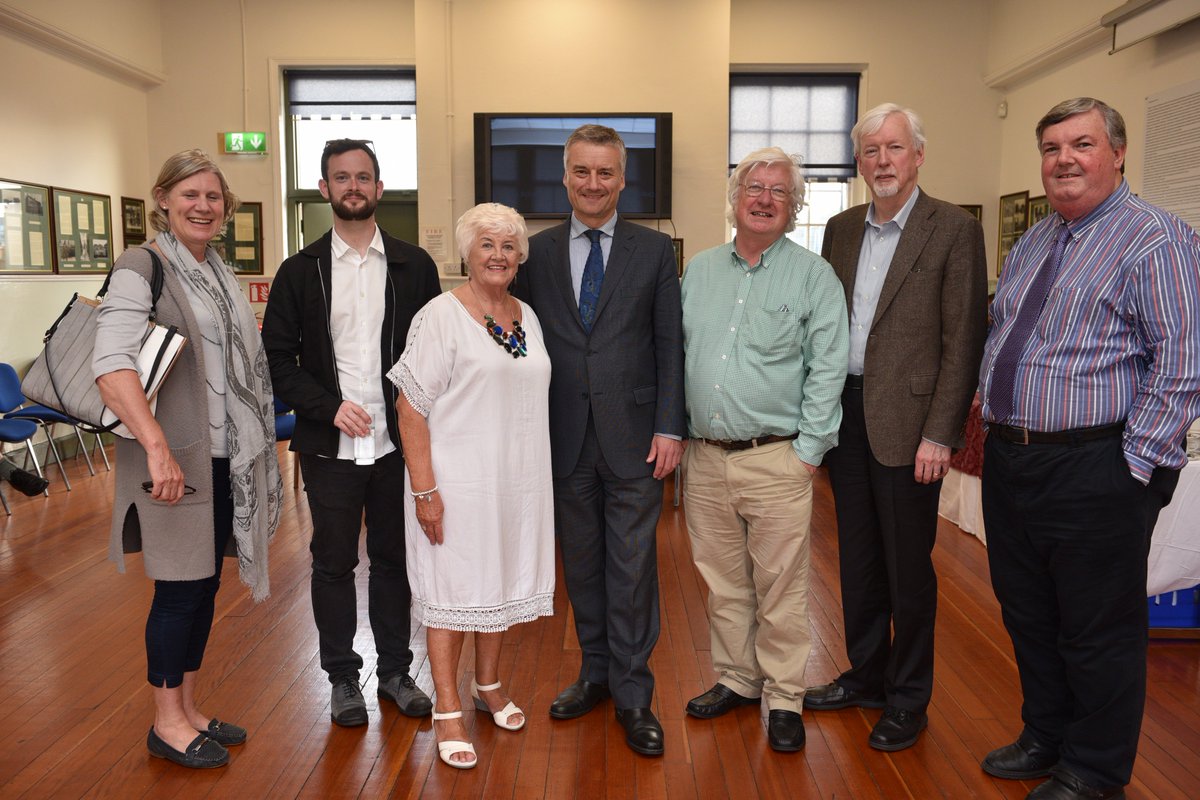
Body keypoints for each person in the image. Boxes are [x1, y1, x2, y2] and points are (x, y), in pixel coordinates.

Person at [979, 98, 1200, 800]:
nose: (1064, 159)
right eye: (1052, 148)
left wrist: (1133, 466)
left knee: (1098, 628)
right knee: (1029, 612)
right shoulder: (1035, 242)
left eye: (1082, 144)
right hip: (1013, 460)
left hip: (1096, 466)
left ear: (1118, 153)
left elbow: (1183, 363)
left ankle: (1094, 770)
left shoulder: (1156, 239)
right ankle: (1045, 736)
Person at [804, 104, 987, 751]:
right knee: (856, 560)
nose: (882, 161)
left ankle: (908, 697)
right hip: (845, 417)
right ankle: (866, 677)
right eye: (871, 150)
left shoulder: (954, 229)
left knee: (908, 569)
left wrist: (942, 433)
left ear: (918, 156)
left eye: (894, 148)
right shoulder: (841, 228)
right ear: (859, 162)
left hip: (912, 428)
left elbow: (964, 339)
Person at [94, 149, 282, 769]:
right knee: (178, 591)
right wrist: (157, 450)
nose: (203, 206)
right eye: (190, 195)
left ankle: (188, 708)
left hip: (224, 458)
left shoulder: (218, 271)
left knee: (203, 587)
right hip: (173, 460)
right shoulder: (141, 266)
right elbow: (112, 367)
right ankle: (165, 723)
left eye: (213, 196)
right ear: (163, 200)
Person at [511, 124, 685, 757]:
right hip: (560, 438)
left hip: (636, 439)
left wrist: (670, 425)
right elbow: (515, 340)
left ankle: (634, 695)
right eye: (581, 171)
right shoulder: (535, 253)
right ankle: (595, 673)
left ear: (622, 179)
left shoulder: (654, 250)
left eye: (604, 172)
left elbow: (670, 344)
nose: (593, 183)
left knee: (632, 569)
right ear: (565, 177)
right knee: (581, 566)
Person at [262, 139, 439, 728]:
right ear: (325, 189)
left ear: (379, 188)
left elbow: (434, 354)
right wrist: (328, 406)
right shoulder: (299, 271)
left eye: (363, 177)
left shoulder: (415, 266)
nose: (353, 187)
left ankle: (395, 672)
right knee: (333, 564)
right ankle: (342, 677)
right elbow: (277, 359)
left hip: (398, 445)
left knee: (393, 561)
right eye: (342, 178)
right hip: (329, 446)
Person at [680, 147, 848, 753]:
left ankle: (783, 697)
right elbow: (677, 353)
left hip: (776, 458)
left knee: (782, 588)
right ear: (735, 198)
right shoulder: (699, 271)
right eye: (755, 187)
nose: (765, 199)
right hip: (705, 457)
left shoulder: (813, 277)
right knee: (723, 584)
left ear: (794, 206)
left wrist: (808, 453)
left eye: (780, 191)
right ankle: (738, 678)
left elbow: (828, 367)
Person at [390, 202, 554, 769]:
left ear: (520, 257)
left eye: (509, 246)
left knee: (496, 584)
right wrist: (425, 492)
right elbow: (409, 408)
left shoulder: (527, 317)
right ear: (466, 252)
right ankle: (448, 708)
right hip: (455, 485)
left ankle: (488, 686)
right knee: (451, 594)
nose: (498, 255)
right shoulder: (440, 315)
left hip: (515, 486)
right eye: (487, 244)